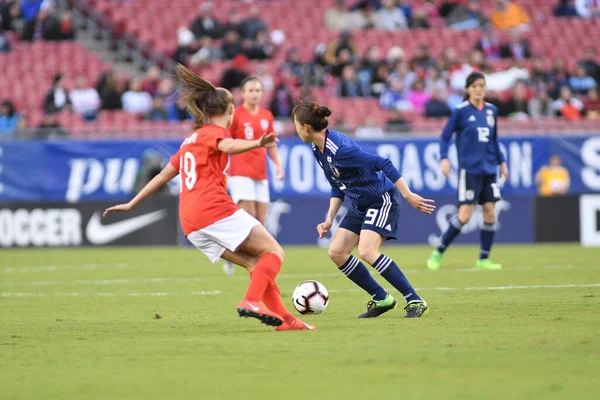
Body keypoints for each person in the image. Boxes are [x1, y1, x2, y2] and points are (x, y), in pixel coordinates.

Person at [103, 65, 313, 332]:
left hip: (190, 222)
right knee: (274, 252)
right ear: (230, 110)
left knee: (253, 263)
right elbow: (228, 146)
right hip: (212, 209)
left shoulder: (189, 140)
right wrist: (257, 143)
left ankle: (288, 321)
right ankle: (250, 301)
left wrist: (133, 203)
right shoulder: (216, 133)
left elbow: (164, 175)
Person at [292, 100, 435, 319]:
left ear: (306, 127)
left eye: (295, 124)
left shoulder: (339, 150)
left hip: (381, 198)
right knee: (337, 252)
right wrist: (329, 218)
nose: (294, 129)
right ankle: (382, 298)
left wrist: (407, 194)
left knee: (367, 251)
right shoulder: (317, 148)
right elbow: (336, 185)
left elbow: (382, 162)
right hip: (360, 204)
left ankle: (415, 299)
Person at [427, 72, 509, 271]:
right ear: (468, 89)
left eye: (482, 85)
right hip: (470, 169)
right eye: (475, 86)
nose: (479, 89)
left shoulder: (492, 111)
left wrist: (502, 162)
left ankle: (483, 259)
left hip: (489, 168)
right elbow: (445, 136)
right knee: (465, 214)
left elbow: (494, 139)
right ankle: (437, 252)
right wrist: (444, 159)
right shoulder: (460, 111)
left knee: (490, 211)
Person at [222, 77, 284, 276]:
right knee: (246, 219)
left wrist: (278, 165)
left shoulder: (267, 114)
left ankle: (250, 255)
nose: (255, 93)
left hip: (260, 173)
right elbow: (225, 142)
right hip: (240, 172)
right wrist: (223, 167)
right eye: (251, 90)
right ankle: (235, 253)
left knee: (260, 221)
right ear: (243, 93)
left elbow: (271, 143)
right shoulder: (237, 114)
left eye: (258, 90)